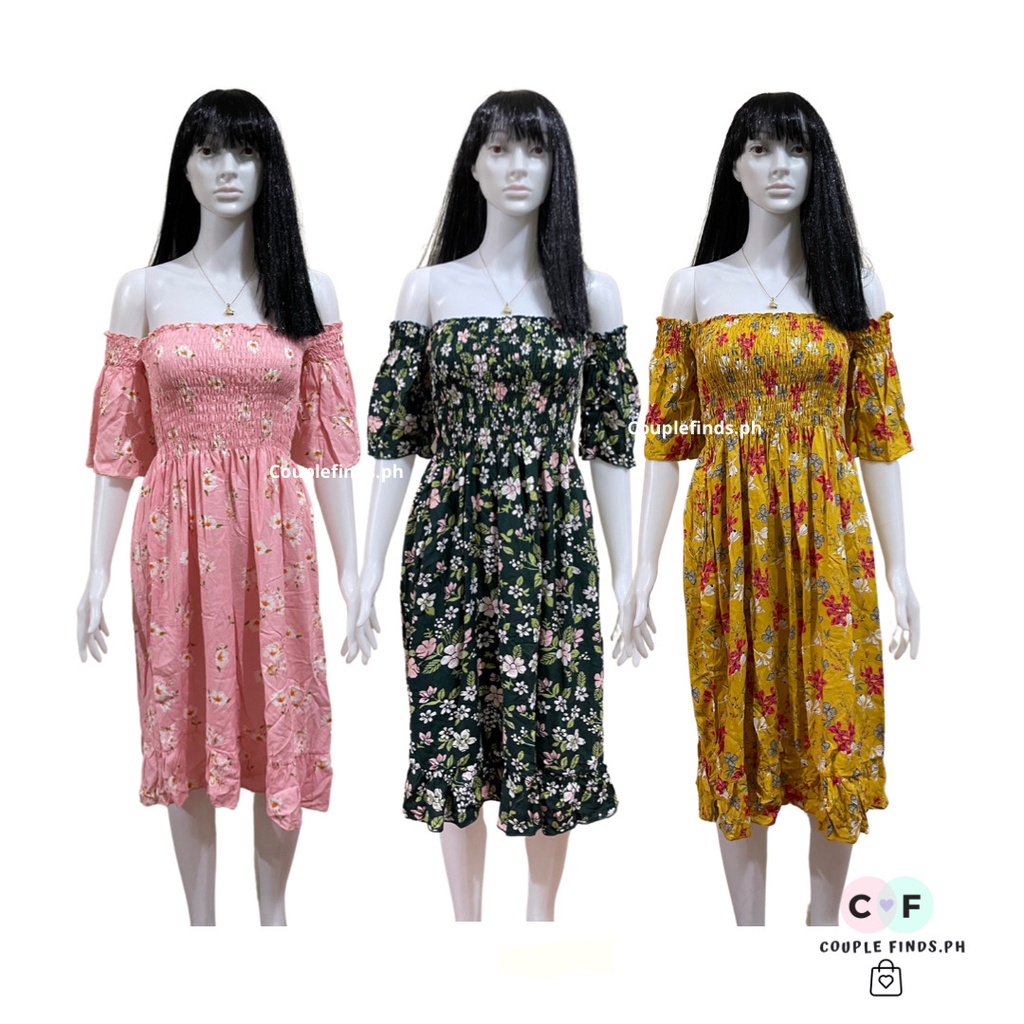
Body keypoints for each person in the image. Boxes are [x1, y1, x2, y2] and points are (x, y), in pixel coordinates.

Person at [626, 92, 919, 926]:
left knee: (836, 714)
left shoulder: (853, 287)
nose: (779, 165)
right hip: (727, 537)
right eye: (760, 148)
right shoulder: (693, 289)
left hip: (829, 534)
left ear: (818, 165)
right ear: (735, 166)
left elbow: (878, 438)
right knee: (735, 716)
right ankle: (749, 946)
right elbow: (666, 439)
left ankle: (822, 937)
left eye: (795, 149)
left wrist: (902, 569)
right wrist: (642, 567)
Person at [77, 89, 362, 925]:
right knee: (185, 704)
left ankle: (273, 920)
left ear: (269, 167)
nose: (226, 169)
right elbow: (119, 449)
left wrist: (355, 571)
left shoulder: (308, 290)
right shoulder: (144, 291)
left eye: (244, 151)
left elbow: (329, 451)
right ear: (185, 168)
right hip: (173, 537)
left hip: (277, 532)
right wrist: (94, 571)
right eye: (208, 151)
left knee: (282, 708)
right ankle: (200, 929)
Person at [359, 90, 640, 921]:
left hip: (552, 543)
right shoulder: (428, 289)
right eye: (501, 149)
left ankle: (540, 925)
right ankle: (465, 925)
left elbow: (610, 444)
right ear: (473, 167)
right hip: (448, 538)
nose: (519, 167)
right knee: (453, 723)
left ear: (559, 168)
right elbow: (394, 441)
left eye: (537, 150)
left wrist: (631, 572)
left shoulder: (592, 292)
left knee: (552, 724)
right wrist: (367, 567)